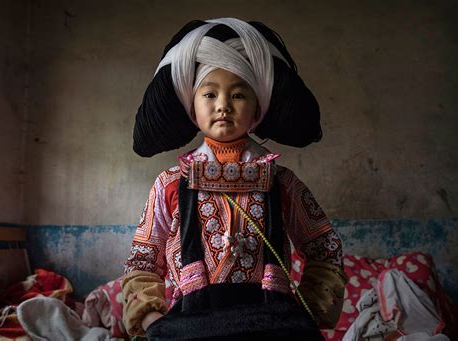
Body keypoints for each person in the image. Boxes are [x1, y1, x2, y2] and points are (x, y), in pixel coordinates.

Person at [122, 18, 347, 340]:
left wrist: (308, 310)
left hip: (273, 328)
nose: (223, 105)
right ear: (192, 108)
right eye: (209, 94)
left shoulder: (283, 182)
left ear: (258, 108)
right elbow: (143, 259)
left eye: (239, 95)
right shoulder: (170, 183)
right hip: (190, 327)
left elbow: (324, 248)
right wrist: (152, 320)